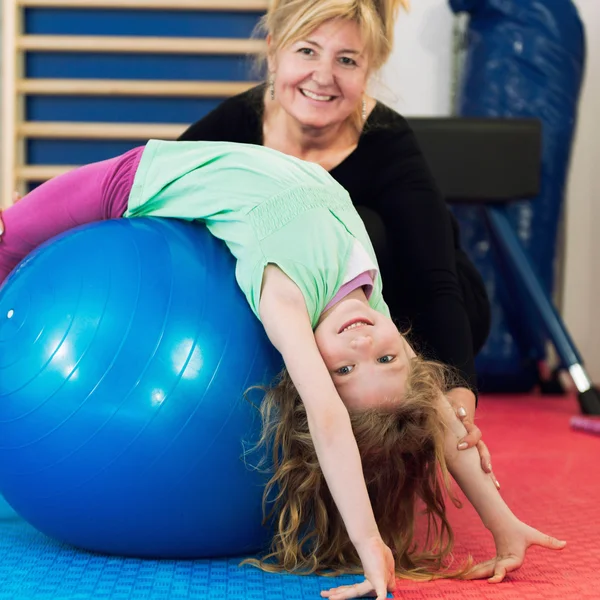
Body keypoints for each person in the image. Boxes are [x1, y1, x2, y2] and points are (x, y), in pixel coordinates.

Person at [0, 140, 564, 600]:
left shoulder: (285, 301)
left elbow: (328, 421)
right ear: (408, 354)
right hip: (180, 181)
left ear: (317, 372)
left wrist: (371, 544)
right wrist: (499, 518)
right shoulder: (372, 311)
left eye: (343, 370)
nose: (362, 342)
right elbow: (440, 415)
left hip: (135, 183)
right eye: (390, 358)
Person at [178, 0, 493, 468]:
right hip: (317, 309)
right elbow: (149, 187)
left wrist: (457, 394)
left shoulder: (388, 142)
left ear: (369, 70)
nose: (323, 76)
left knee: (359, 229)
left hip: (415, 302)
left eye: (346, 60)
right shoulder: (234, 128)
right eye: (307, 51)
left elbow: (434, 285)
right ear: (274, 53)